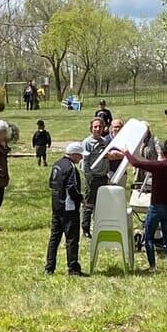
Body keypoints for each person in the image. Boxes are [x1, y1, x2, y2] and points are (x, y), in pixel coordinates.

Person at [125, 140, 167, 274]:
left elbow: (135, 163)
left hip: (156, 207)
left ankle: (152, 266)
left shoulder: (157, 166)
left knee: (149, 236)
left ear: (161, 152)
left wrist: (126, 152)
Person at [45, 143, 86, 276]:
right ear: (73, 154)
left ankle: (49, 267)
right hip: (69, 209)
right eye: (80, 155)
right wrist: (80, 199)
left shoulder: (57, 164)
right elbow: (71, 187)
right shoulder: (71, 168)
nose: (81, 158)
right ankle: (73, 268)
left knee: (54, 237)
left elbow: (51, 183)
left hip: (56, 206)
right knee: (72, 239)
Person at [81, 117, 110, 237]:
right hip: (92, 178)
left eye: (100, 127)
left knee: (101, 204)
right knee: (89, 204)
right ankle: (86, 229)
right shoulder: (87, 143)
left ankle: (99, 226)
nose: (98, 129)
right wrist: (89, 177)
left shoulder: (105, 141)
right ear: (91, 128)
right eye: (95, 127)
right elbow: (84, 162)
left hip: (103, 176)